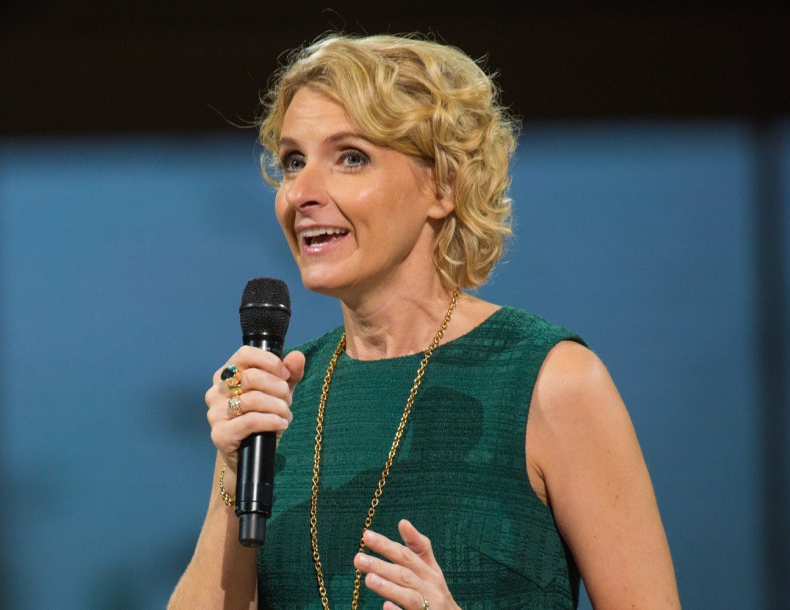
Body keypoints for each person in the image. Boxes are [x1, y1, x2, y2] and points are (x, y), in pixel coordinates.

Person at [169, 32, 679, 609]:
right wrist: (233, 477)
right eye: (293, 161)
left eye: (350, 157)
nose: (301, 194)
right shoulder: (282, 392)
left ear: (442, 184)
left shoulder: (550, 381)